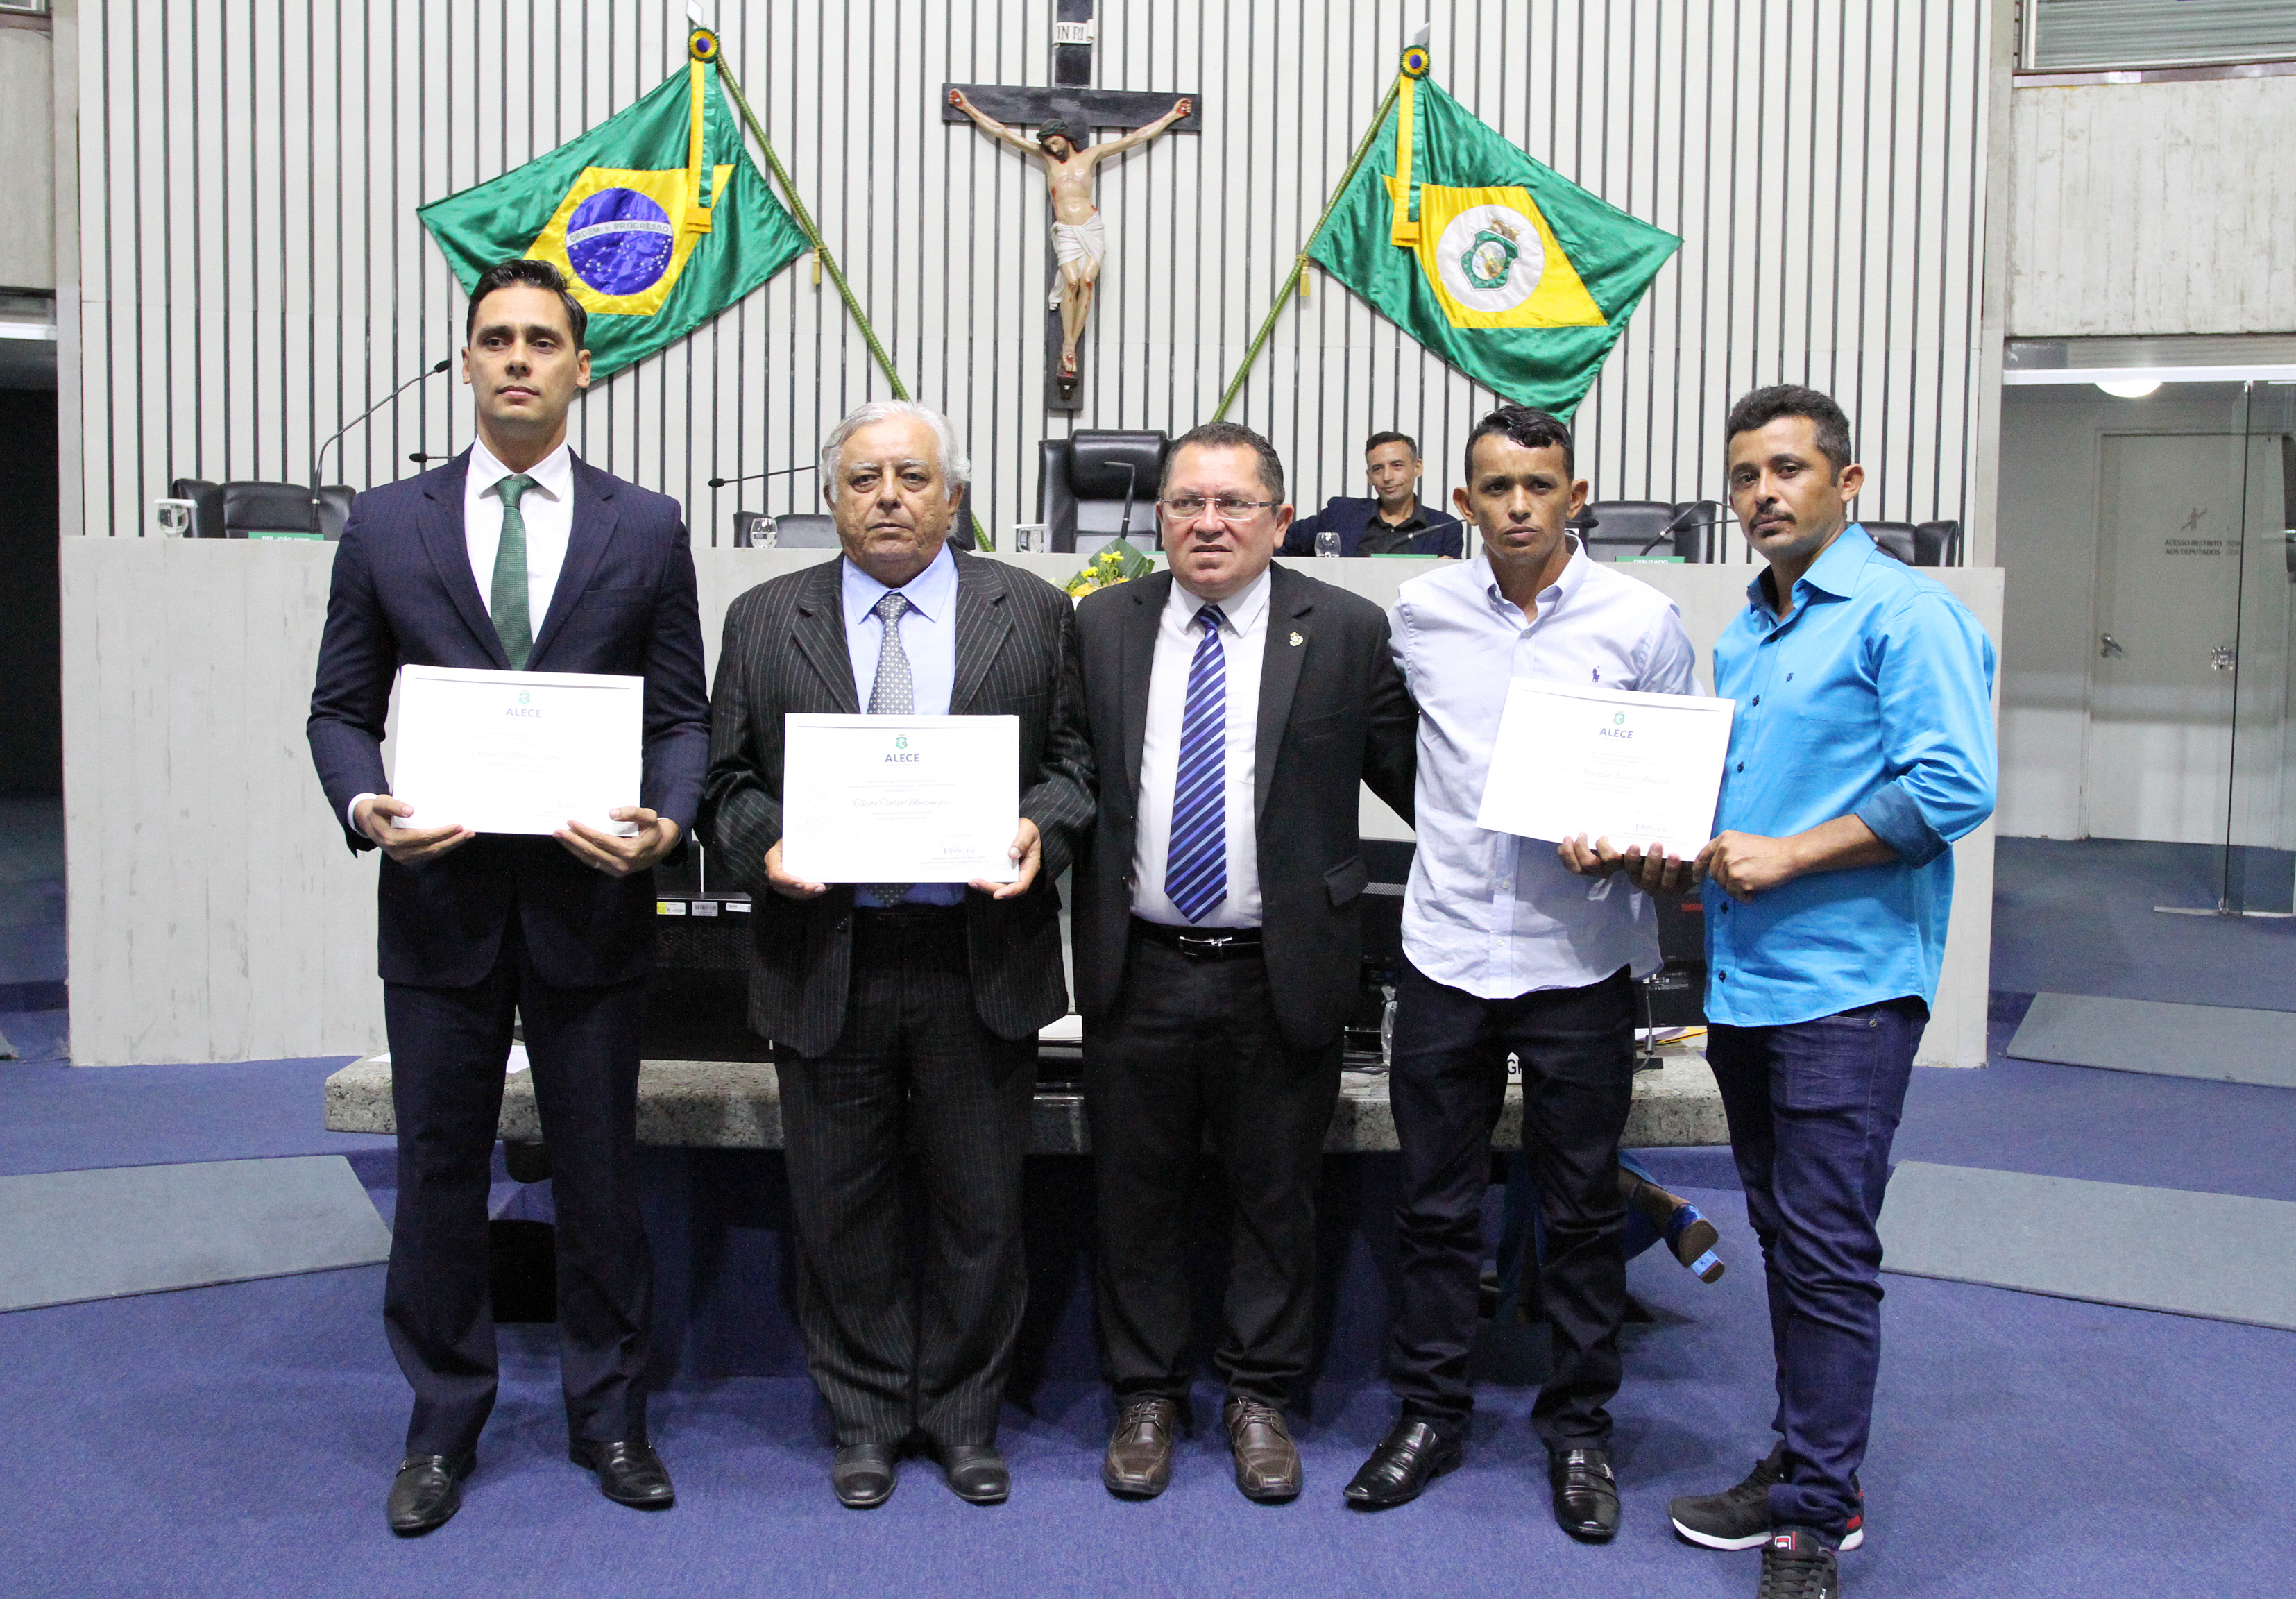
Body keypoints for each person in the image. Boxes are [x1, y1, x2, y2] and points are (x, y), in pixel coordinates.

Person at [306, 257, 708, 1535]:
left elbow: (682, 716)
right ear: (469, 360)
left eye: (542, 339)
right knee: (436, 1171)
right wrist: (366, 805)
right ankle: (441, 1423)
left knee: (599, 1172)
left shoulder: (646, 526)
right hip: (440, 904)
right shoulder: (388, 523)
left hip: (593, 903)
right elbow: (339, 709)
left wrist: (668, 820)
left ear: (583, 365)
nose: (519, 358)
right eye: (497, 339)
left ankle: (611, 1416)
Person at [1628, 385, 1995, 1599]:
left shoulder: (1906, 615)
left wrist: (1790, 854)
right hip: (1749, 984)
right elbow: (1745, 797)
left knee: (1828, 1251)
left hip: (1848, 986)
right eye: (1744, 474)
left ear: (1849, 481)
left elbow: (1952, 785)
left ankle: (1817, 1516)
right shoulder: (1748, 631)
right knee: (1787, 1238)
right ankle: (1801, 1461)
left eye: (1787, 468)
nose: (1762, 493)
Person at [697, 400, 1096, 1511]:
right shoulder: (765, 617)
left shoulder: (1031, 610)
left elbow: (1074, 767)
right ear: (832, 499)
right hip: (827, 954)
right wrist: (763, 846)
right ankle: (866, 1418)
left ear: (953, 498)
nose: (888, 498)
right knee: (840, 1209)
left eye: (913, 479)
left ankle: (965, 1419)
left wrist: (1042, 832)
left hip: (980, 955)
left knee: (982, 1207)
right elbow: (724, 782)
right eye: (864, 479)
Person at [1344, 405, 1699, 1543]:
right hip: (1447, 949)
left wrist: (1646, 847)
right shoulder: (1420, 612)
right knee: (1433, 1205)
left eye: (1539, 485)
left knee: (1581, 1209)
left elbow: (1678, 788)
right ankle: (1430, 1412)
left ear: (1574, 495)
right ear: (1462, 501)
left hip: (1577, 957)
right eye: (1495, 487)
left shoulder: (1641, 620)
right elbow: (1404, 756)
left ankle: (1579, 1428)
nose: (1517, 506)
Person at [1071, 421, 1417, 1504]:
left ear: (1280, 518)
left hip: (1283, 966)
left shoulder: (1348, 631)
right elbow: (1066, 774)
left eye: (1234, 504)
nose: (1209, 524)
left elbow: (1421, 780)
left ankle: (1259, 1395)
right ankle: (1146, 1396)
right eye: (1187, 503)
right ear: (1160, 518)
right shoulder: (1101, 626)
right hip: (1139, 964)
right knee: (1135, 1197)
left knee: (1277, 1197)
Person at [947, 90, 1192, 388]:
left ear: (1065, 137)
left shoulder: (1091, 156)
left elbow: (1135, 138)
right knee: (1072, 281)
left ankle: (1070, 344)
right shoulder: (1047, 159)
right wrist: (968, 108)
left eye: (1055, 141)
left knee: (1087, 281)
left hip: (1090, 226)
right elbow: (1002, 132)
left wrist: (1172, 116)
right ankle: (1068, 342)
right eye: (1048, 144)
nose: (1052, 148)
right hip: (1065, 229)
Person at [1282, 430, 1465, 559]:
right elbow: (1279, 542)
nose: (1387, 477)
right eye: (1378, 469)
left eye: (1397, 466)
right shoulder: (1340, 515)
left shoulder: (1444, 529)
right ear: (1369, 476)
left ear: (1417, 468)